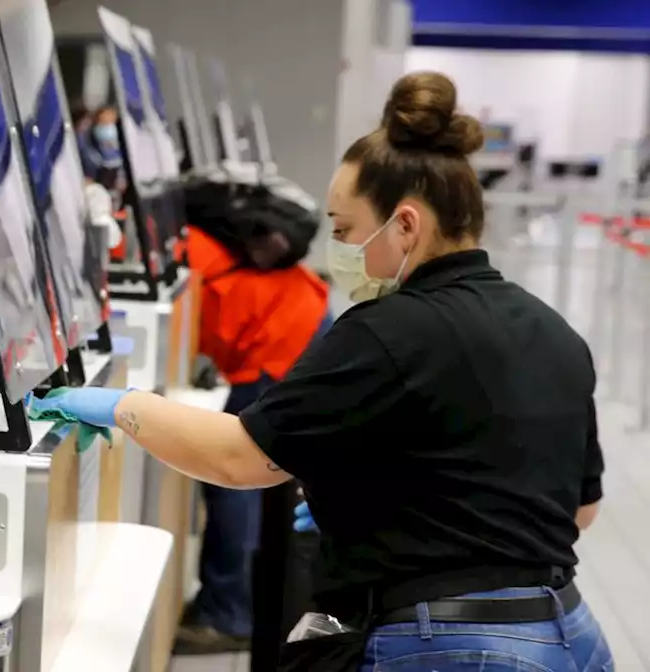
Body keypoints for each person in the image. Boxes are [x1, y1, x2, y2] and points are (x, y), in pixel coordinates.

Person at [33, 71, 610, 670]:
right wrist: (387, 506)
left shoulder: (388, 330)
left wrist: (125, 405)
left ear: (406, 224)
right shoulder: (555, 330)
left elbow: (239, 457)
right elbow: (577, 510)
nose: (337, 248)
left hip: (455, 650)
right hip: (572, 637)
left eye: (344, 230)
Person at [176, 226, 332, 655]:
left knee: (231, 474)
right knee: (250, 474)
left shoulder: (174, 238)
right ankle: (231, 604)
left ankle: (226, 616)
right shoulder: (193, 231)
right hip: (301, 316)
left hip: (280, 339)